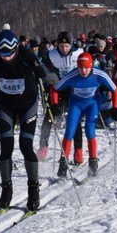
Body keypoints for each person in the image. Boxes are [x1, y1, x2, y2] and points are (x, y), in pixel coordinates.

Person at [0, 29, 45, 212]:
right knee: (6, 147)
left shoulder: (26, 55)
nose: (6, 57)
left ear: (16, 49)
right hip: (5, 106)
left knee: (26, 146)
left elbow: (42, 73)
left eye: (10, 53)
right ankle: (6, 190)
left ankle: (33, 190)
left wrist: (47, 80)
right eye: (3, 53)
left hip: (27, 105)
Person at [51, 52, 117, 177]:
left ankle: (93, 162)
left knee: (89, 129)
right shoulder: (72, 75)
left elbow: (115, 89)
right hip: (76, 104)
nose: (83, 71)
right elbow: (54, 89)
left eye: (86, 67)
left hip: (91, 104)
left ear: (91, 66)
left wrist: (115, 107)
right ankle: (63, 164)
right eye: (80, 67)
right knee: (69, 131)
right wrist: (54, 105)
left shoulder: (99, 74)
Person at [37, 31, 84, 162]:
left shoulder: (79, 52)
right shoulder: (51, 55)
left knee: (76, 121)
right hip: (57, 90)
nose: (64, 49)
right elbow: (42, 69)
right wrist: (45, 79)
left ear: (71, 44)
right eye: (61, 46)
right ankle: (43, 147)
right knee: (49, 117)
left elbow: (88, 67)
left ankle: (78, 151)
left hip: (74, 90)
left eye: (66, 46)